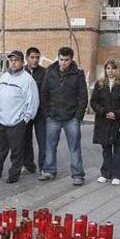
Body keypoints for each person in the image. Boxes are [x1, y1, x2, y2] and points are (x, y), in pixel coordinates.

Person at [0, 50, 39, 183]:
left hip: (17, 122)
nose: (13, 63)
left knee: (17, 151)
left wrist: (25, 119)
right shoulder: (4, 77)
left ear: (22, 62)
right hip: (2, 120)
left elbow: (32, 102)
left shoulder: (28, 80)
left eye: (16, 60)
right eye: (11, 60)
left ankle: (14, 175)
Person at [38, 47, 88, 186]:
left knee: (74, 147)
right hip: (53, 117)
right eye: (61, 59)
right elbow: (44, 93)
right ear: (58, 58)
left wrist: (78, 116)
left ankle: (78, 175)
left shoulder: (78, 74)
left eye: (67, 60)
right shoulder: (50, 71)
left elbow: (83, 96)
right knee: (50, 146)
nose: (63, 63)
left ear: (71, 59)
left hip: (71, 118)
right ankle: (48, 171)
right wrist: (46, 113)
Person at [90, 58, 120, 185]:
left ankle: (117, 175)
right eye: (108, 68)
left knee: (118, 148)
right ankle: (105, 173)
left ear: (118, 69)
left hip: (118, 121)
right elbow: (93, 101)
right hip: (103, 121)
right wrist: (104, 112)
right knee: (106, 148)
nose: (110, 71)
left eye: (113, 68)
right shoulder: (100, 84)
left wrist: (118, 113)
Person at [23, 47, 47, 173]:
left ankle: (44, 167)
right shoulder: (21, 73)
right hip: (26, 112)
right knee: (25, 140)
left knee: (43, 141)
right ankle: (28, 166)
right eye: (32, 57)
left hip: (41, 113)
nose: (35, 60)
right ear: (27, 58)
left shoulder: (45, 72)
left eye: (37, 57)